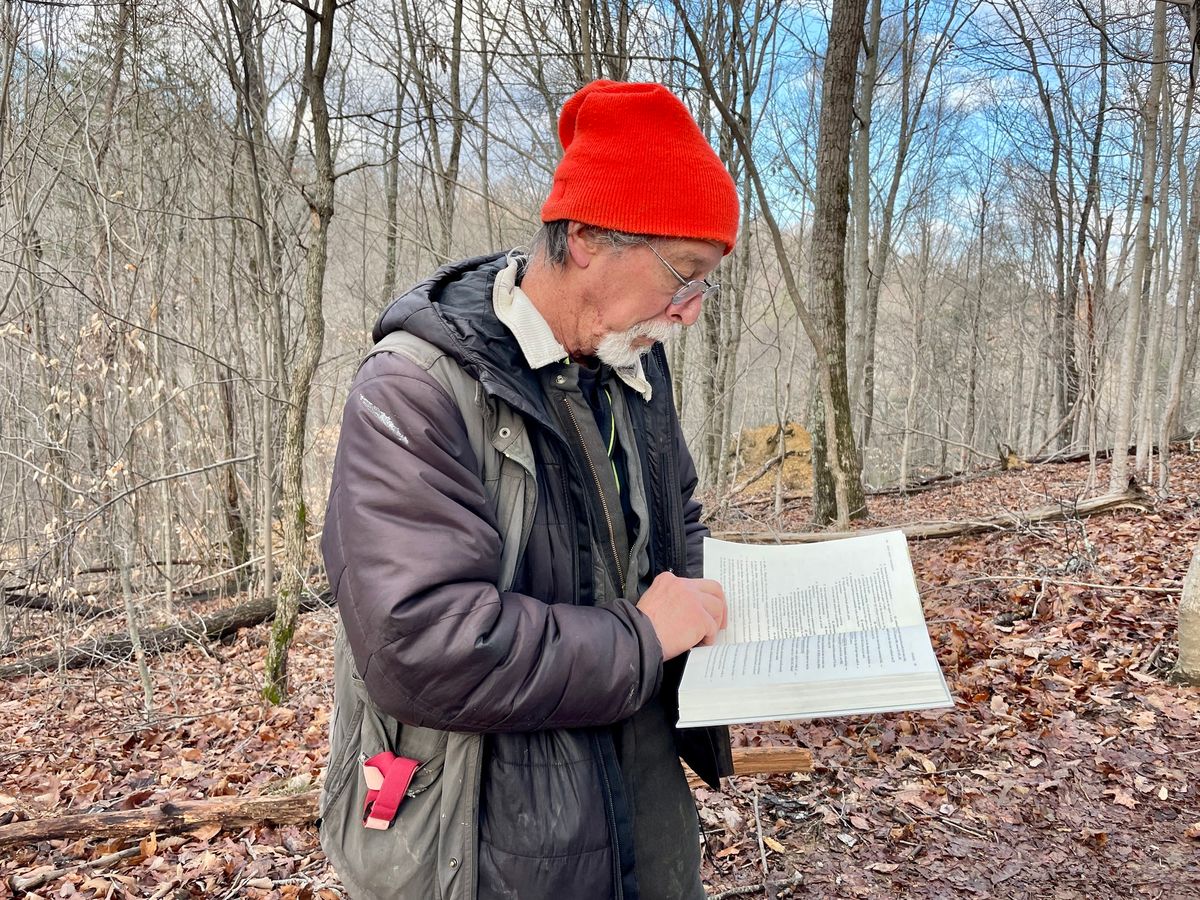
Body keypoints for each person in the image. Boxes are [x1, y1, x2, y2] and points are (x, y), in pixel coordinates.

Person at [319, 80, 740, 900]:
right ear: (585, 238)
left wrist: (723, 628)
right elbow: (423, 643)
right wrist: (642, 639)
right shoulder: (414, 388)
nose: (689, 312)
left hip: (641, 780)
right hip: (486, 822)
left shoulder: (633, 357)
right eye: (683, 274)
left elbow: (675, 513)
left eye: (705, 284)